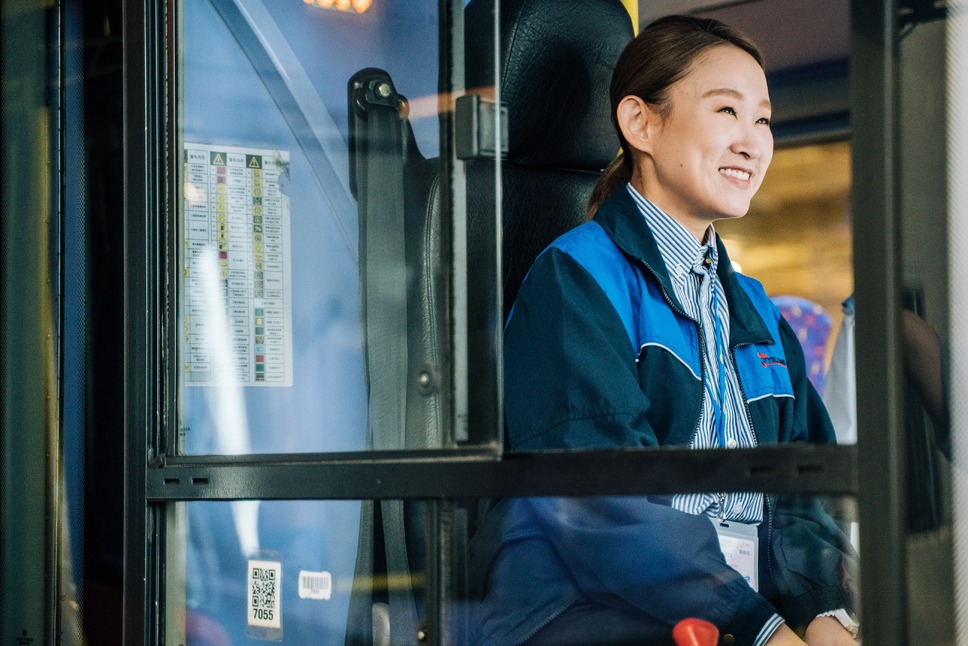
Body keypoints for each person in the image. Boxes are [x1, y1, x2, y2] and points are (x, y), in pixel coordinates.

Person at [467, 15, 858, 646]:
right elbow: (604, 505)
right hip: (583, 614)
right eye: (726, 111)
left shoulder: (756, 308)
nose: (752, 142)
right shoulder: (576, 280)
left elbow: (801, 494)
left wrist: (821, 615)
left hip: (727, 611)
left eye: (763, 120)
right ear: (640, 123)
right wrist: (762, 629)